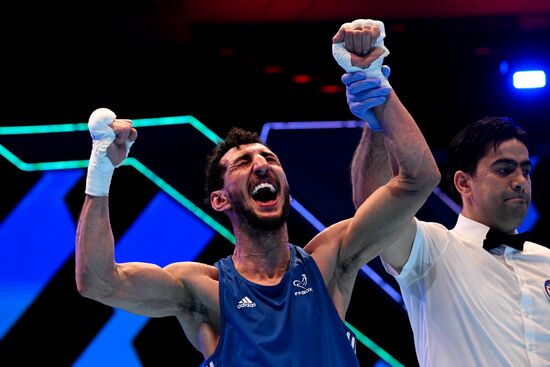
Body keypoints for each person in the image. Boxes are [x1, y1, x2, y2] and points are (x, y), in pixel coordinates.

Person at [75, 20, 439, 366]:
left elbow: (420, 179)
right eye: (242, 163)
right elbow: (99, 282)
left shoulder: (331, 260)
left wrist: (374, 87)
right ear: (220, 200)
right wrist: (101, 169)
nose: (262, 165)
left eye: (269, 158)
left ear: (286, 191)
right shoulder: (201, 291)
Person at [347, 52, 550, 366]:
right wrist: (375, 125)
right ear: (464, 183)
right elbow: (374, 209)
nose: (520, 181)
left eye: (525, 170)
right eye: (504, 169)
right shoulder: (432, 249)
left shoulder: (546, 260)